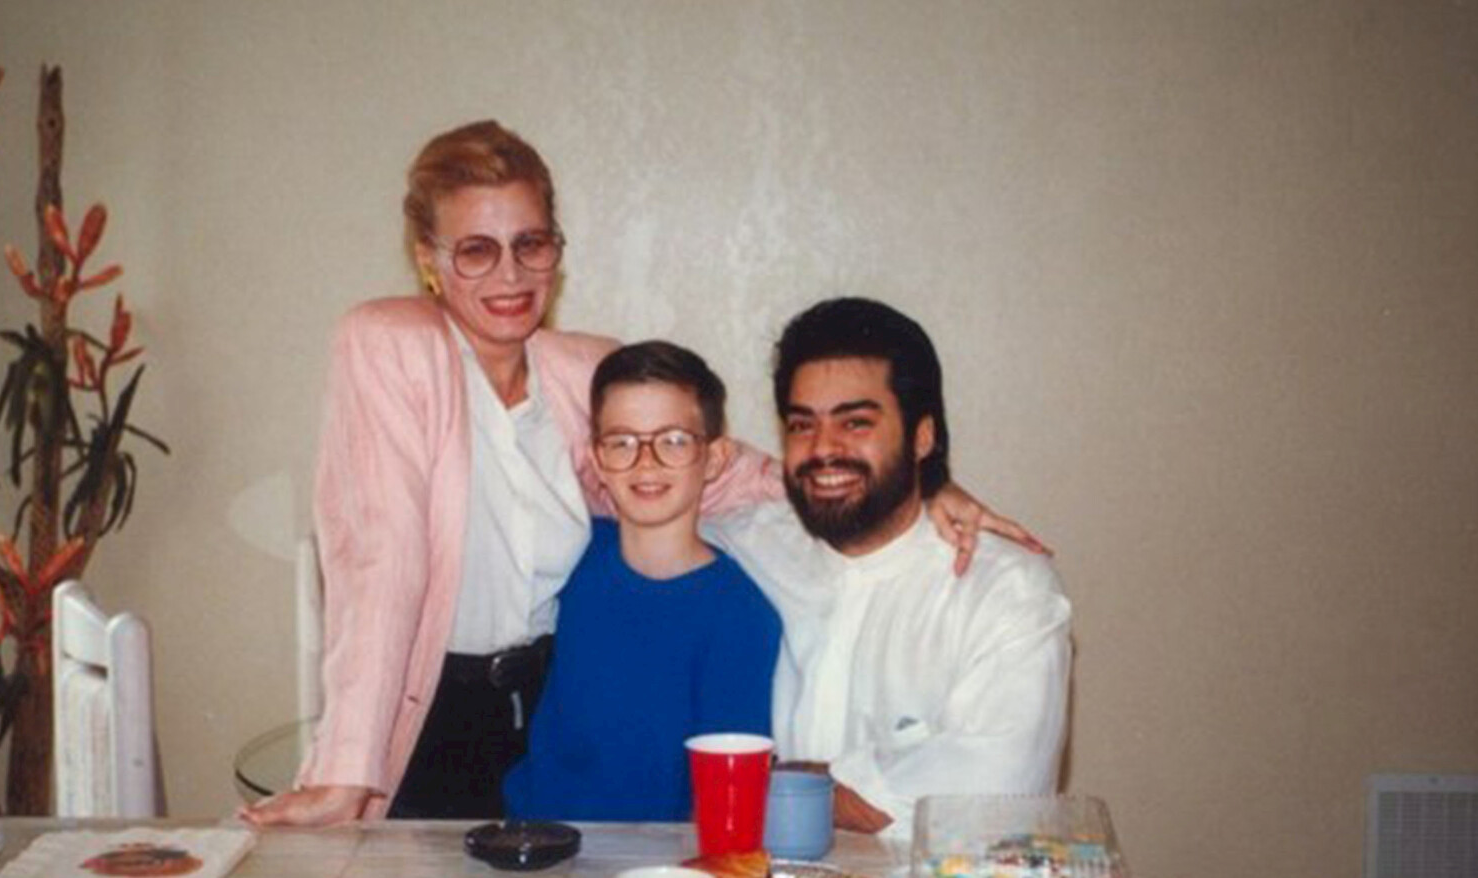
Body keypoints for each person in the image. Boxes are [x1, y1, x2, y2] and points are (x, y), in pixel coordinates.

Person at [241, 121, 1040, 827]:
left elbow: (730, 467)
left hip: (546, 709)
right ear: (429, 260)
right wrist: (346, 769)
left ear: (556, 250)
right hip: (433, 711)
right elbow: (380, 561)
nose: (510, 275)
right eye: (476, 250)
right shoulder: (390, 343)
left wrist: (923, 487)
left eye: (531, 244)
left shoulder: (582, 371)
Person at [706, 297, 1072, 838]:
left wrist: (770, 782)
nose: (823, 450)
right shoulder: (747, 541)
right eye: (802, 425)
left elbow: (995, 792)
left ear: (922, 436)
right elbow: (633, 475)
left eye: (856, 423)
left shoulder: (1005, 589)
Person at [501, 341, 780, 821]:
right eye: (622, 443)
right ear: (597, 458)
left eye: (673, 440)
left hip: (659, 852)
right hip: (533, 836)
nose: (645, 463)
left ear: (714, 458)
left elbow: (726, 795)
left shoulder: (740, 615)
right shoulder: (572, 553)